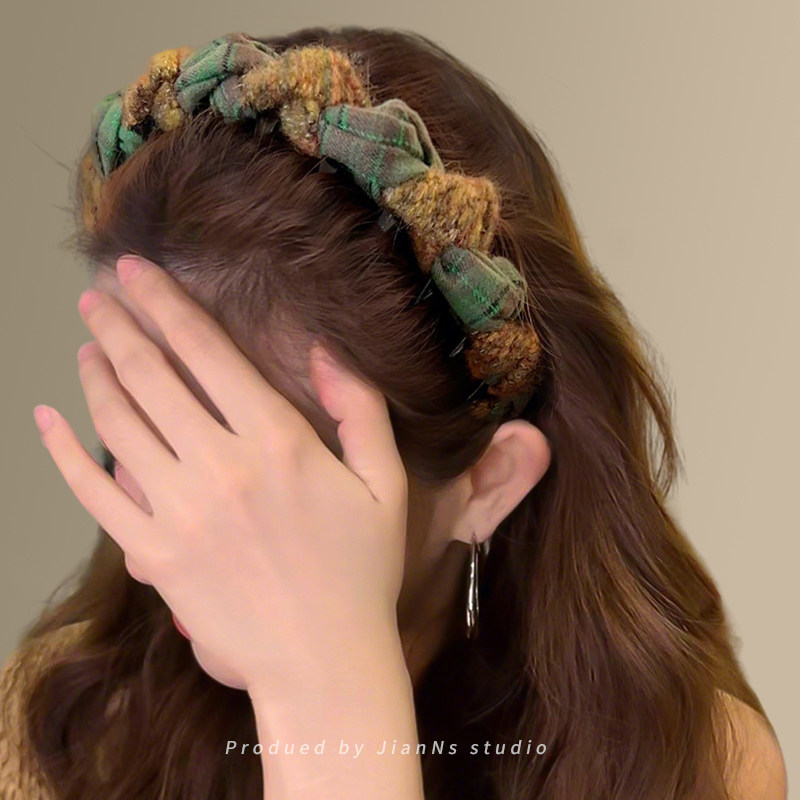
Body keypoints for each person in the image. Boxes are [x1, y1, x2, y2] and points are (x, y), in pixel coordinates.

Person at [0, 25, 787, 800]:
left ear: (487, 485)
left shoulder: (696, 768)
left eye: (260, 478)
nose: (155, 552)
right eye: (147, 433)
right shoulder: (59, 733)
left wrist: (321, 692)